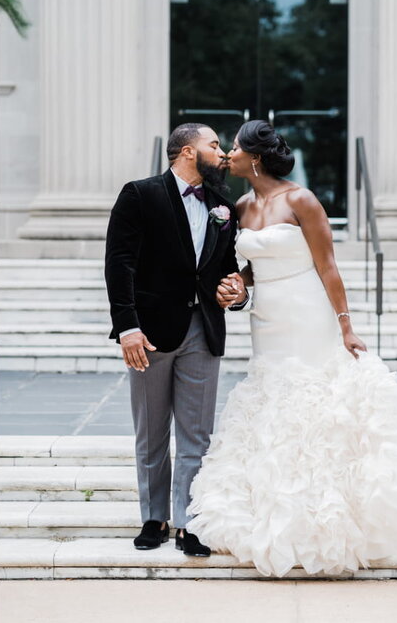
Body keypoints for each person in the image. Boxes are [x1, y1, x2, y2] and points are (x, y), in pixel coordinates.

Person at [188, 119, 397, 576]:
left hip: (307, 310)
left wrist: (346, 326)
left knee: (316, 395)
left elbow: (328, 267)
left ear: (255, 157)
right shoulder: (242, 206)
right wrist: (237, 283)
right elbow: (249, 266)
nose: (227, 155)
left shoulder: (301, 200)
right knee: (272, 397)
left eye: (233, 147)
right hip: (266, 318)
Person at [104, 123, 248, 557]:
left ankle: (188, 523)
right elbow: (119, 263)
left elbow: (226, 268)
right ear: (187, 151)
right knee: (150, 430)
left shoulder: (224, 205)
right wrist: (127, 327)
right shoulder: (139, 194)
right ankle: (154, 517)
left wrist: (237, 293)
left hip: (203, 330)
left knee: (196, 434)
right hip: (148, 333)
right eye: (214, 145)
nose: (222, 153)